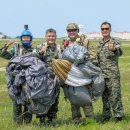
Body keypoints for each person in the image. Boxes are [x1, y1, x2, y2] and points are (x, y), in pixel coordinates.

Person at [0, 25, 33, 124]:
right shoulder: (16, 50)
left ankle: (27, 122)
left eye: (27, 38)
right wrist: (7, 45)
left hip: (28, 80)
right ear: (21, 39)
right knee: (17, 100)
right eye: (24, 38)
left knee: (28, 100)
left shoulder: (34, 51)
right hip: (16, 80)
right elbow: (2, 54)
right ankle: (17, 122)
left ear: (30, 39)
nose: (26, 39)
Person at [64, 23, 95, 124]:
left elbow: (93, 54)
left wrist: (84, 60)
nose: (71, 32)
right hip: (70, 73)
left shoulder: (84, 41)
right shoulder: (65, 42)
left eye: (73, 30)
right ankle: (76, 118)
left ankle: (90, 117)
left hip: (82, 72)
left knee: (84, 93)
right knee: (73, 94)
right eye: (69, 30)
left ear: (77, 30)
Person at [97, 21, 124, 122]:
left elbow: (120, 52)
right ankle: (106, 115)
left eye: (106, 29)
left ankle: (119, 116)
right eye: (102, 29)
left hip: (112, 74)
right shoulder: (99, 43)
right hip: (102, 75)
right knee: (105, 97)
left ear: (110, 30)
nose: (104, 31)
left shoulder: (114, 41)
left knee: (115, 95)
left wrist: (114, 50)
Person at [36, 28, 60, 124]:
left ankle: (52, 119)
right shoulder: (40, 47)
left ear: (55, 37)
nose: (51, 38)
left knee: (55, 98)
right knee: (43, 98)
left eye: (53, 36)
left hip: (55, 77)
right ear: (46, 37)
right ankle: (42, 118)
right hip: (43, 78)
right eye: (49, 36)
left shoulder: (59, 48)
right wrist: (41, 52)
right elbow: (34, 59)